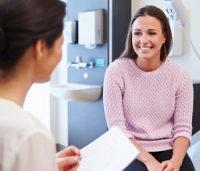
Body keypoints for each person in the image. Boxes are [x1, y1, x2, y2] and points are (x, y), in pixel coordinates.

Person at [103, 5, 195, 171]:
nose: (143, 40)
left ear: (164, 36)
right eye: (137, 33)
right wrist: (149, 162)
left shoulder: (180, 76)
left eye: (151, 33)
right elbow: (117, 130)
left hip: (170, 149)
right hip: (130, 149)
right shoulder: (116, 71)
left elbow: (183, 128)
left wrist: (176, 162)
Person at [0, 0, 81, 171]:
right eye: (60, 44)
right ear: (41, 47)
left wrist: (45, 164)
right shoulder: (29, 134)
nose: (60, 55)